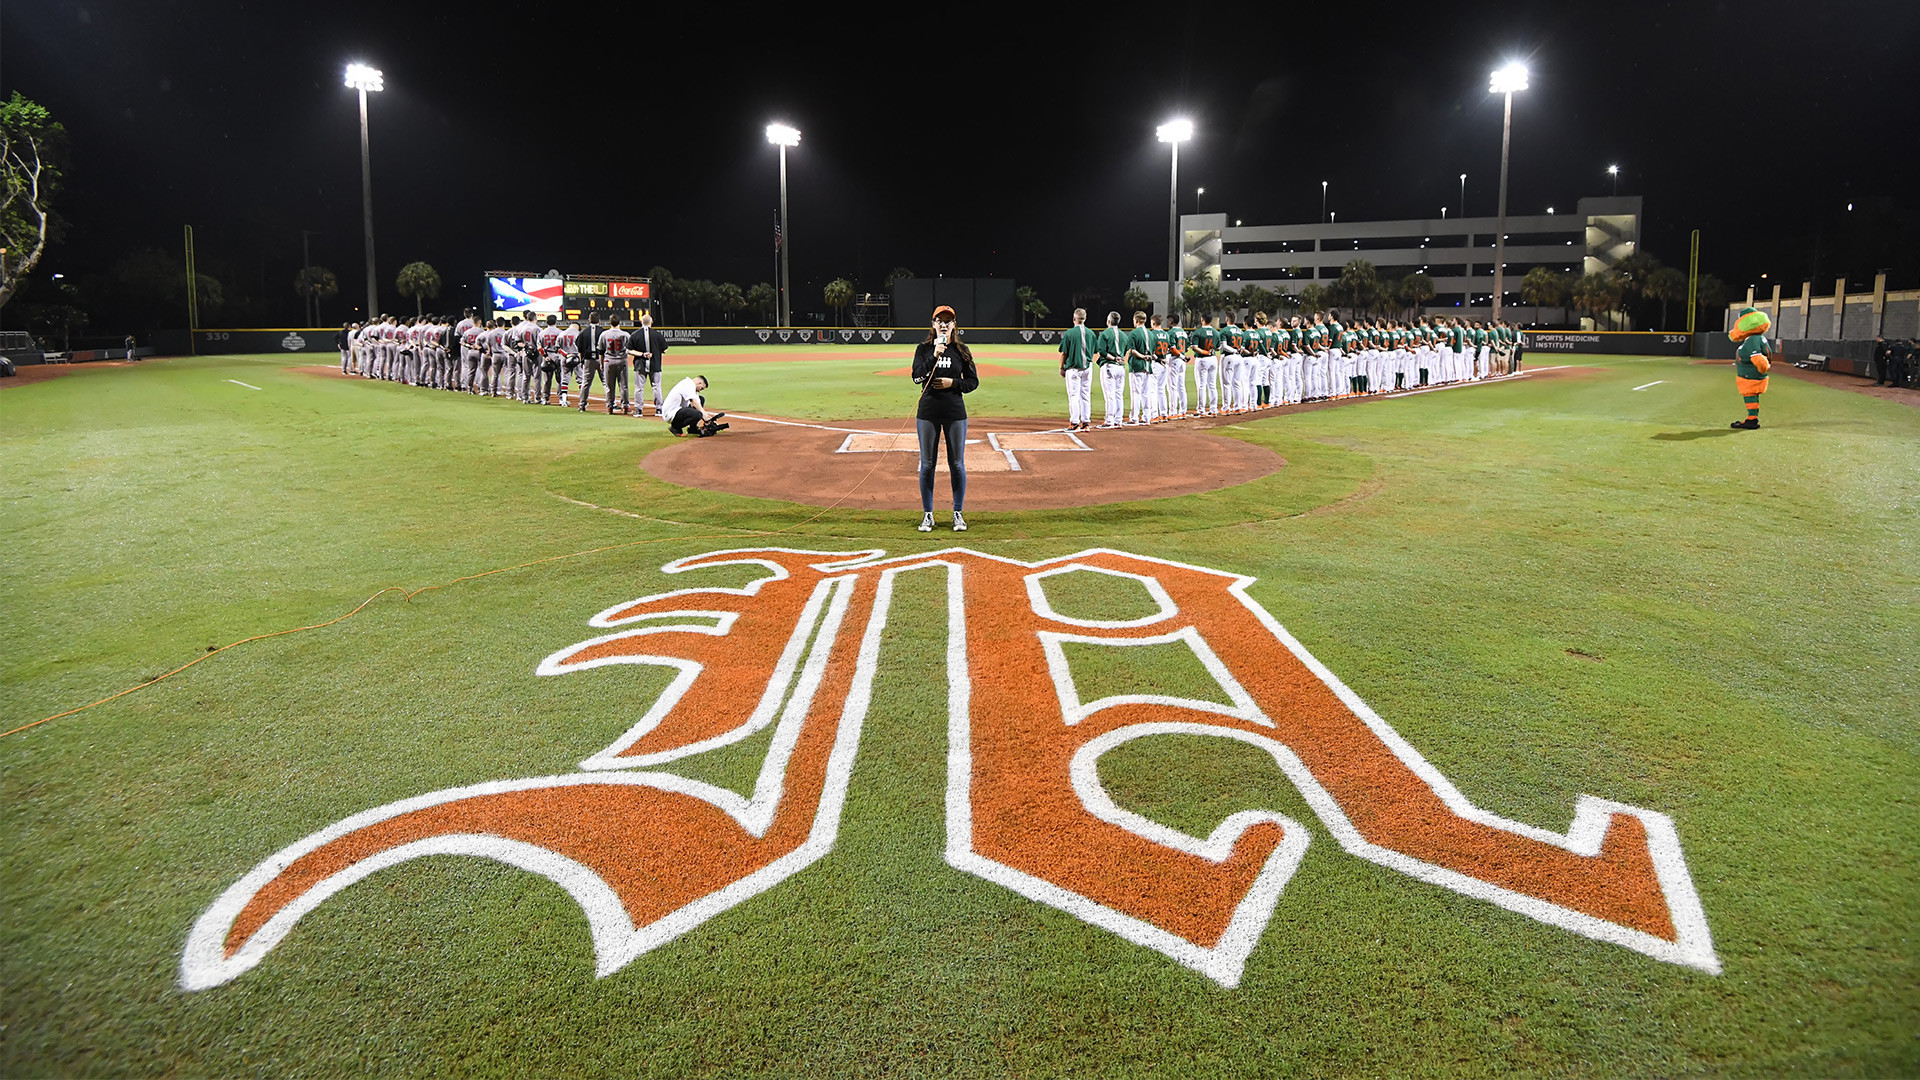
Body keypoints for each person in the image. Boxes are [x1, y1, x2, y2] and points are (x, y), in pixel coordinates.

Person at [909, 305, 978, 532]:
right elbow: (916, 377)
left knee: (957, 464)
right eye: (940, 321)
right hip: (928, 411)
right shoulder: (924, 349)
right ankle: (928, 515)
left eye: (948, 321)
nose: (944, 325)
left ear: (954, 325)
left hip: (955, 412)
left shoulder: (962, 350)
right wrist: (934, 356)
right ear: (933, 324)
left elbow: (972, 382)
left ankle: (957, 514)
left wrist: (953, 383)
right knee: (927, 465)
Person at [1726, 306, 1772, 429]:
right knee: (1751, 396)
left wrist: (1763, 368)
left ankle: (1752, 420)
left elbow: (1758, 358)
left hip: (1750, 375)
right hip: (1752, 373)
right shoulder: (1757, 338)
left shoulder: (1752, 339)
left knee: (1750, 395)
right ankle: (1752, 419)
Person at [1057, 307, 1096, 431]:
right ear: (1085, 319)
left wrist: (1061, 368)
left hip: (1073, 368)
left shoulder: (1069, 333)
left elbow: (1064, 353)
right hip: (1087, 368)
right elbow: (1094, 351)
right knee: (1085, 395)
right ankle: (1085, 423)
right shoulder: (1091, 333)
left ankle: (1074, 422)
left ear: (1074, 319)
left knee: (1073, 396)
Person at [1095, 311, 1130, 428]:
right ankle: (1119, 420)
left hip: (1109, 365)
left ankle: (1109, 420)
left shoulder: (1105, 334)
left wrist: (1114, 358)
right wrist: (1118, 358)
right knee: (1119, 394)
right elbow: (1125, 351)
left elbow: (1102, 351)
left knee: (1109, 394)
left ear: (1109, 321)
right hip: (1121, 367)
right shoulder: (1124, 335)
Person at [631, 314, 669, 417]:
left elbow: (629, 350)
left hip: (640, 365)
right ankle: (659, 409)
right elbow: (665, 349)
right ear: (651, 322)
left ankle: (638, 410)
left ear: (641, 322)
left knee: (639, 388)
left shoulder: (635, 334)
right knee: (656, 387)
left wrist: (641, 354)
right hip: (655, 364)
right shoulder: (657, 334)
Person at [599, 317, 632, 413]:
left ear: (609, 322)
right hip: (621, 361)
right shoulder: (625, 334)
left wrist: (601, 364)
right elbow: (630, 349)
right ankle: (625, 406)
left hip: (608, 361)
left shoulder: (604, 334)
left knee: (609, 386)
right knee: (623, 385)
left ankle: (610, 407)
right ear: (619, 322)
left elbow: (601, 351)